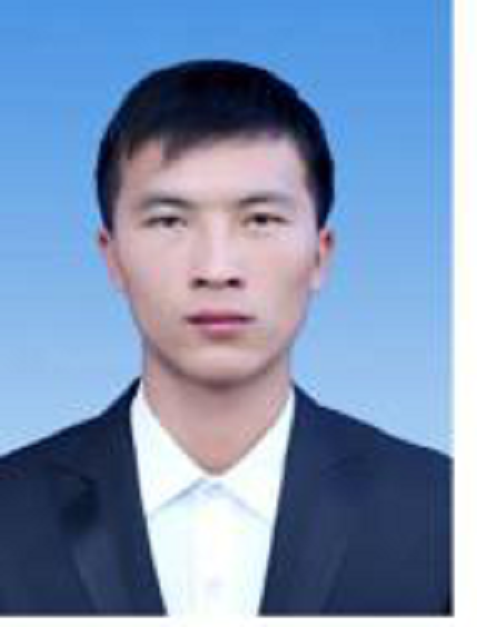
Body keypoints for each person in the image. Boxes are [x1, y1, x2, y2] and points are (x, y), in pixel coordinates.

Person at [0, 59, 451, 616]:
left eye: (260, 219)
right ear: (112, 256)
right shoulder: (11, 512)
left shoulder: (442, 511)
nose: (216, 269)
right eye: (169, 221)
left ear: (320, 255)